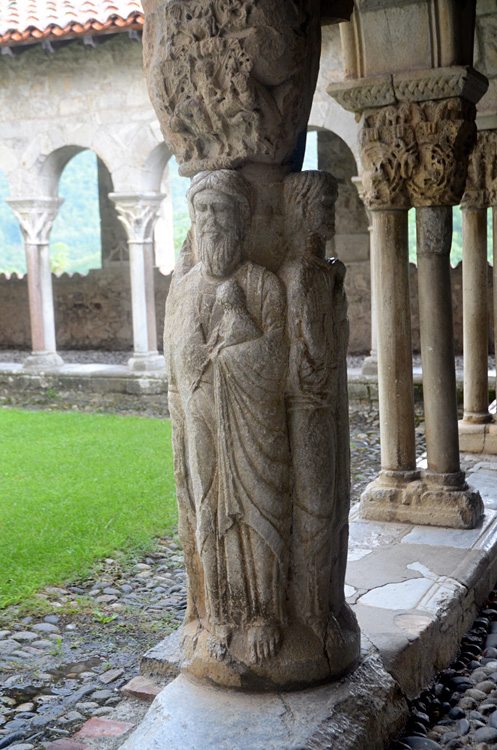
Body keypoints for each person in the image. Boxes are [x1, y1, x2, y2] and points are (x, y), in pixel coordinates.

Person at [165, 169, 290, 664]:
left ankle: (264, 614)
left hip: (254, 428)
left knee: (258, 513)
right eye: (202, 211)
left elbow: (278, 355)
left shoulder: (262, 283)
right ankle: (218, 611)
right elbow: (175, 367)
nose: (210, 221)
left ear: (242, 222)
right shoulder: (183, 288)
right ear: (193, 223)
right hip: (200, 427)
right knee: (208, 514)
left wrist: (229, 358)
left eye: (220, 210)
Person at [278, 169, 350, 646]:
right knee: (315, 506)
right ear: (301, 210)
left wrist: (337, 289)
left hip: (325, 403)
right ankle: (310, 608)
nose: (331, 215)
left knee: (334, 500)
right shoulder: (301, 274)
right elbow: (318, 351)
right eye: (323, 206)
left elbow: (333, 344)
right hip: (307, 407)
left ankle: (326, 601)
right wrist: (332, 289)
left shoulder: (320, 273)